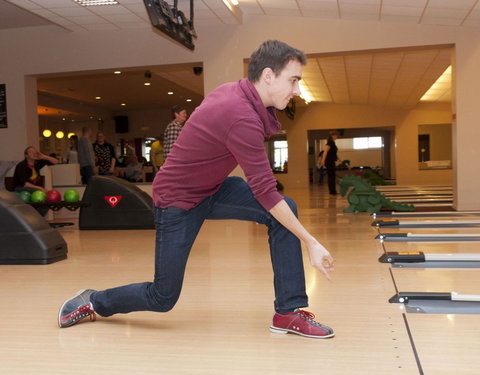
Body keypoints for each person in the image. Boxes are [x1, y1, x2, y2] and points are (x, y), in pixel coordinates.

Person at [58, 40, 335, 339]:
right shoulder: (240, 116)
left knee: (286, 209)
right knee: (162, 297)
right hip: (178, 201)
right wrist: (310, 242)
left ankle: (288, 313)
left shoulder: (237, 91)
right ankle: (94, 300)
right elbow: (266, 192)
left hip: (213, 188)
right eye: (293, 80)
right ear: (268, 76)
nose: (296, 90)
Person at [13, 146, 58, 216]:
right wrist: (40, 188)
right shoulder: (21, 165)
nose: (34, 153)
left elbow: (55, 161)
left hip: (34, 190)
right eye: (31, 152)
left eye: (35, 152)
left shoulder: (37, 164)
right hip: (20, 189)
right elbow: (25, 184)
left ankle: (38, 217)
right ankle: (35, 218)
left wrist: (43, 156)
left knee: (48, 198)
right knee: (42, 193)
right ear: (26, 155)